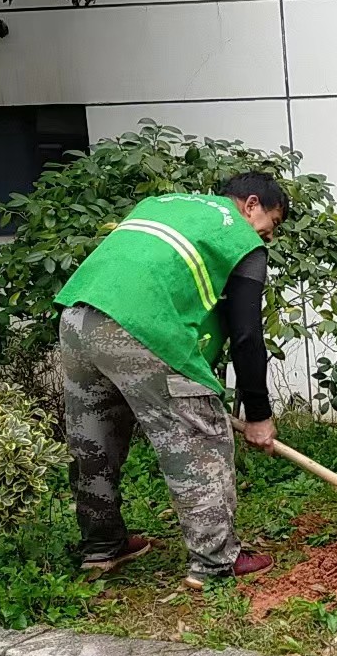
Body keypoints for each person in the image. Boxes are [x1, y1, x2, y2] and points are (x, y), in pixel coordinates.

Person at [54, 172, 289, 592]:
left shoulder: (166, 206)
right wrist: (258, 415)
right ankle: (215, 562)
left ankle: (102, 547)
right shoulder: (240, 237)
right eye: (273, 223)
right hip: (141, 327)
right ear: (251, 204)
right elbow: (247, 335)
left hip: (78, 318)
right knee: (200, 440)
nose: (269, 237)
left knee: (94, 441)